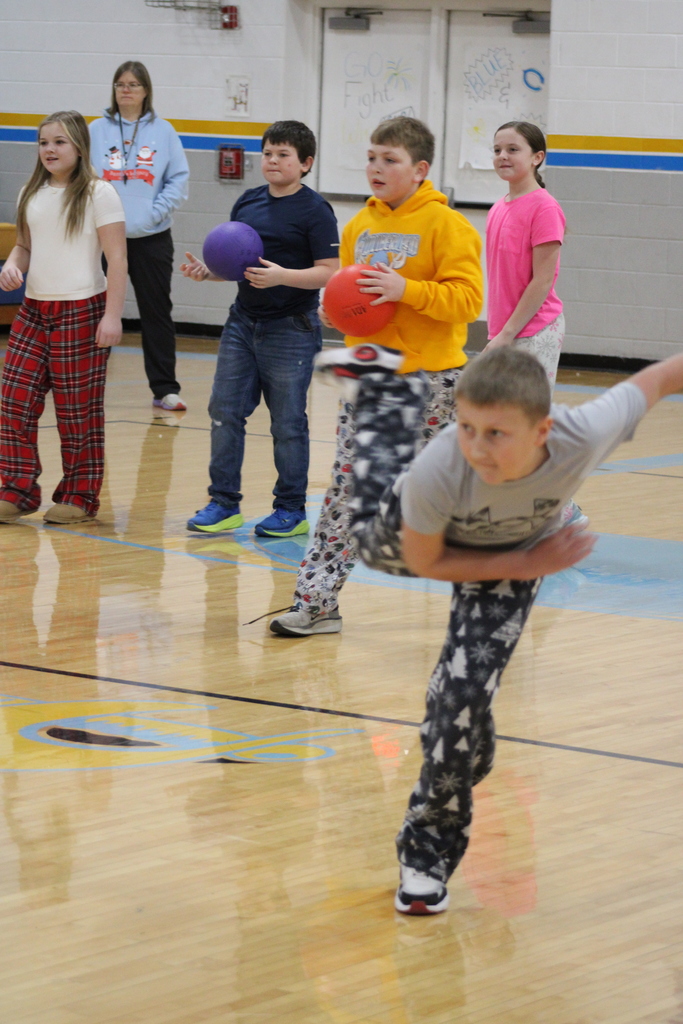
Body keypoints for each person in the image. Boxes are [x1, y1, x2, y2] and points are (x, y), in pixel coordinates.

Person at [312, 339, 681, 914]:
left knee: (456, 709)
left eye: (496, 434)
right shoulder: (442, 465)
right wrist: (528, 564)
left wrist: (520, 563)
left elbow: (658, 378)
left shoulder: (584, 434)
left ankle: (425, 857)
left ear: (542, 430)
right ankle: (384, 390)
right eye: (466, 427)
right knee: (368, 544)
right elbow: (428, 563)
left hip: (512, 560)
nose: (477, 448)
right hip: (453, 548)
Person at [269, 116, 483, 636]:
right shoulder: (358, 227)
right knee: (347, 490)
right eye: (371, 158)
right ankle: (317, 602)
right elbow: (355, 301)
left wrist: (406, 290)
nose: (376, 168)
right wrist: (336, 312)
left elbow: (468, 301)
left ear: (420, 169)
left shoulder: (448, 226)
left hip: (433, 383)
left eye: (390, 160)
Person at [181, 120, 339, 538]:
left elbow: (329, 271)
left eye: (283, 154)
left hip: (292, 328)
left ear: (305, 163)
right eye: (268, 153)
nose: (272, 160)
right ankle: (223, 503)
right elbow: (238, 268)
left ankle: (291, 510)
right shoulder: (248, 202)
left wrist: (283, 276)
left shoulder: (315, 210)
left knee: (287, 423)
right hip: (242, 324)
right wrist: (208, 273)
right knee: (224, 411)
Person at [0, 110, 126, 525]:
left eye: (59, 142)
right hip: (34, 311)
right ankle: (17, 490)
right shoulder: (30, 193)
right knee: (14, 400)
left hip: (82, 311)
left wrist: (112, 317)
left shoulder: (99, 193)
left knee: (77, 412)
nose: (49, 150)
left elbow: (118, 260)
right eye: (43, 142)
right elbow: (24, 246)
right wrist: (12, 265)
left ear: (79, 147)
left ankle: (79, 496)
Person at [89, 60, 189, 411]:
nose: (126, 90)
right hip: (103, 237)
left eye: (133, 84)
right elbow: (82, 177)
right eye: (120, 84)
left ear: (146, 90)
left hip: (151, 237)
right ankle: (89, 386)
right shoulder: (95, 130)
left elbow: (178, 180)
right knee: (96, 311)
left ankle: (165, 389)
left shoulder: (164, 131)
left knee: (156, 311)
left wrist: (153, 213)